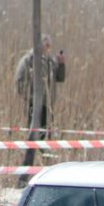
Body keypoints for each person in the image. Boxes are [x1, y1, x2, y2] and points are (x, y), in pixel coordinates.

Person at [15, 34, 66, 185]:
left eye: (50, 45)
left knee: (46, 142)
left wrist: (62, 64)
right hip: (34, 106)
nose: (48, 48)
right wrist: (30, 98)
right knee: (33, 140)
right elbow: (19, 83)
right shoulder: (28, 60)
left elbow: (60, 78)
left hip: (48, 107)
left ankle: (49, 178)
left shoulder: (51, 61)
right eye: (46, 45)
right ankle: (23, 178)